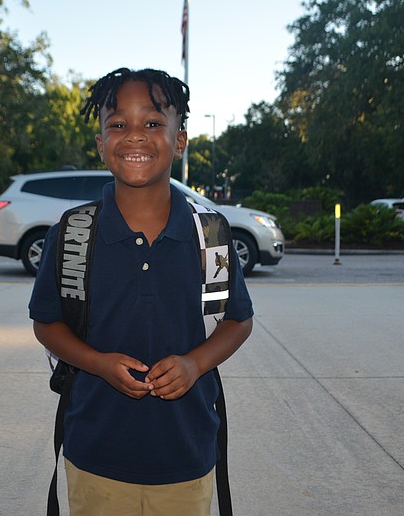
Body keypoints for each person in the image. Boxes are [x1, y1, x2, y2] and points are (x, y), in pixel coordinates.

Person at [28, 67, 253, 515]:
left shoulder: (209, 233)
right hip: (95, 453)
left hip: (186, 455)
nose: (135, 136)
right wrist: (96, 363)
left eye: (152, 123)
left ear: (180, 139)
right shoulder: (73, 233)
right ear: (100, 143)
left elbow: (237, 320)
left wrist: (195, 364)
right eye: (117, 124)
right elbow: (46, 323)